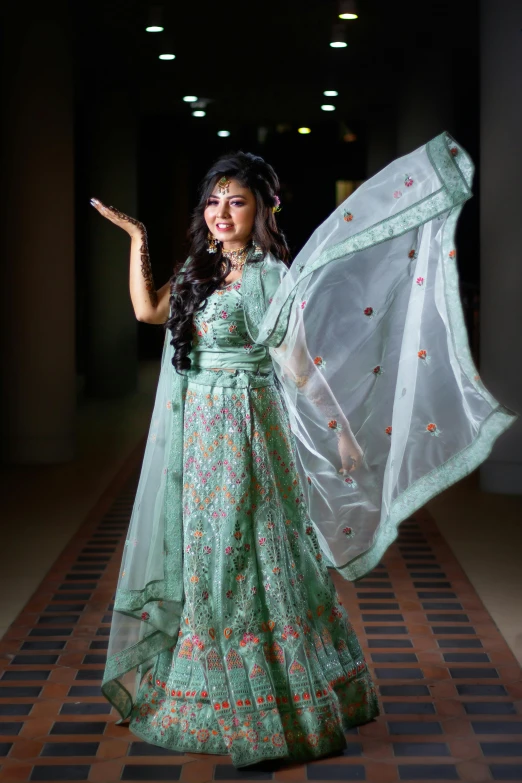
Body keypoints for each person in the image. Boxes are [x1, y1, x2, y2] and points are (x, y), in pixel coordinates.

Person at [90, 134, 516, 768]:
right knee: (207, 550)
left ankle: (274, 701)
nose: (222, 214)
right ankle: (205, 689)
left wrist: (340, 430)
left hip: (248, 433)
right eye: (213, 202)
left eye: (236, 203)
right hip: (199, 437)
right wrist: (138, 240)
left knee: (247, 551)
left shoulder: (268, 277)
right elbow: (149, 312)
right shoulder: (197, 270)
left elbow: (299, 367)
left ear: (262, 211)